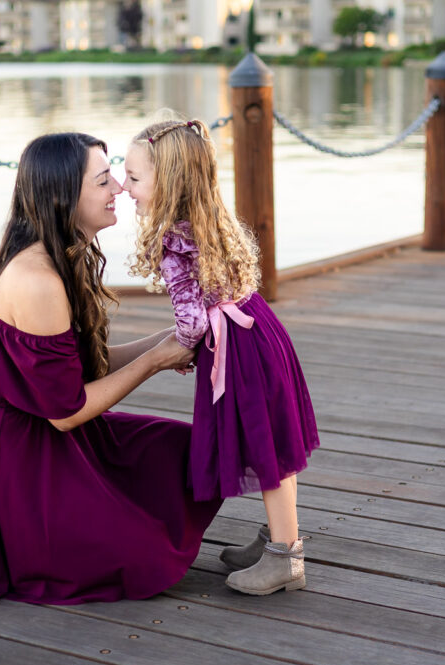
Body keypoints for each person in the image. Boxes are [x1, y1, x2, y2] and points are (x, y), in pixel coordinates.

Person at [0, 132, 222, 605]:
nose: (120, 189)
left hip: (48, 430)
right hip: (17, 457)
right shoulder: (38, 280)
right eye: (104, 181)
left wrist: (171, 341)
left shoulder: (64, 255)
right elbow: (66, 410)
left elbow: (85, 366)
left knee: (184, 451)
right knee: (140, 555)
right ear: (65, 196)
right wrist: (153, 362)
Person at [123, 119, 319, 596]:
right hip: (260, 330)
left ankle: (285, 559)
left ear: (166, 184)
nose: (125, 188)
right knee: (273, 445)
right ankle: (279, 536)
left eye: (133, 178)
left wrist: (179, 347)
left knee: (264, 450)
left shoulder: (174, 240)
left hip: (237, 351)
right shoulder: (212, 218)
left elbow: (190, 321)